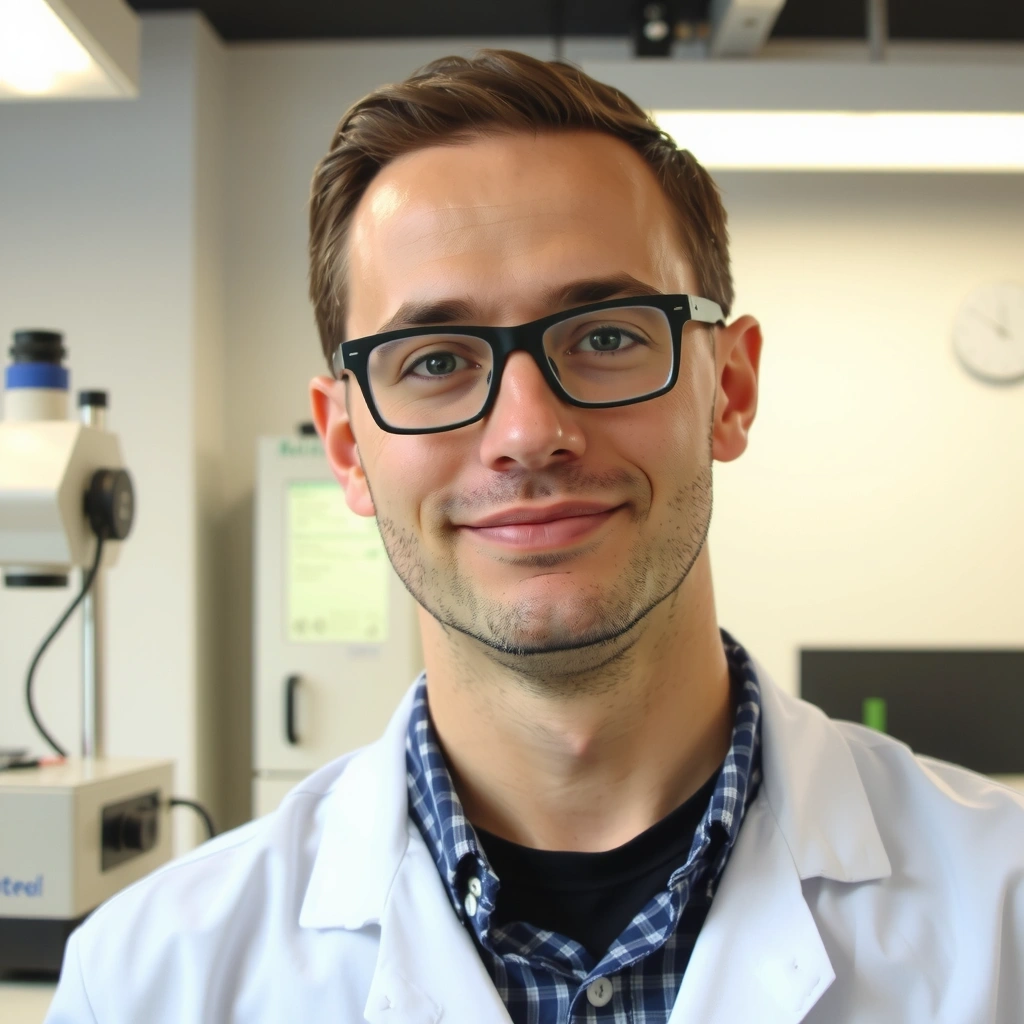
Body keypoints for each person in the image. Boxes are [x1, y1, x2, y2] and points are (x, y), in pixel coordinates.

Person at [47, 49, 1024, 1024]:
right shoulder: (145, 981)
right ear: (347, 443)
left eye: (604, 335)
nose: (525, 434)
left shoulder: (1000, 915)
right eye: (432, 358)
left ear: (728, 388)